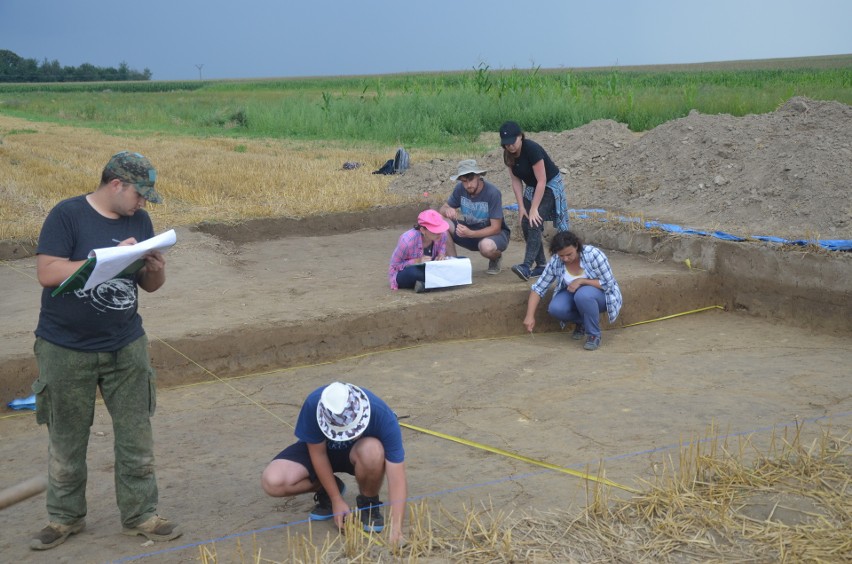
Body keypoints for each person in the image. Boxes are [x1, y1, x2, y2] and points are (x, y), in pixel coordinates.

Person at [29, 151, 181, 550]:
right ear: (116, 185)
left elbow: (150, 287)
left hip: (126, 346)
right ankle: (64, 519)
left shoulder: (139, 221)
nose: (143, 203)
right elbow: (47, 272)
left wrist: (154, 265)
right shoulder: (67, 215)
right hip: (65, 349)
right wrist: (102, 259)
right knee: (66, 439)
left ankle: (141, 514)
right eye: (139, 194)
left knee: (136, 436)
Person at [261, 382, 408, 545]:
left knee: (373, 451)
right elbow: (318, 454)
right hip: (323, 451)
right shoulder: (314, 404)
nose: (350, 436)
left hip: (360, 454)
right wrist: (336, 498)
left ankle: (369, 503)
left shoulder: (382, 415)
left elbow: (397, 476)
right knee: (272, 482)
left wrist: (396, 530)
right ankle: (328, 488)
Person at [522, 231, 622, 351]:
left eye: (569, 254)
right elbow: (538, 288)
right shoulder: (555, 261)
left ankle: (593, 335)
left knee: (582, 295)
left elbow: (608, 284)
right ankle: (583, 322)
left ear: (576, 246)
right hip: (573, 295)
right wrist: (529, 316)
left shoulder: (593, 255)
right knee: (556, 308)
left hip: (600, 295)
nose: (565, 259)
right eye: (561, 256)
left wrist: (582, 281)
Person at [500, 121, 570, 281]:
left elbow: (542, 180)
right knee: (525, 221)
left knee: (534, 220)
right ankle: (541, 266)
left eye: (512, 141)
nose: (510, 146)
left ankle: (526, 266)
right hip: (532, 187)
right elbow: (516, 181)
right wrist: (522, 207)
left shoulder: (531, 149)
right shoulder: (508, 154)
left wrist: (534, 208)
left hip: (549, 185)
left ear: (520, 137)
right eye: (506, 144)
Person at [439, 159, 510, 275]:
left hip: (494, 235)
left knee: (486, 247)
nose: (468, 185)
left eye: (471, 180)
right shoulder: (460, 189)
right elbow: (442, 210)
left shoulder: (492, 193)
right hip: (469, 231)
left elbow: (496, 228)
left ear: (478, 176)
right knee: (441, 222)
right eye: (464, 181)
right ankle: (454, 265)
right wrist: (448, 209)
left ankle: (495, 257)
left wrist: (470, 233)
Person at [388, 209, 455, 293]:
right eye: (435, 231)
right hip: (407, 271)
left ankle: (427, 284)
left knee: (461, 259)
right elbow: (395, 265)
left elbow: (442, 246)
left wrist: (441, 254)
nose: (439, 234)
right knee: (415, 273)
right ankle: (437, 282)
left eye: (440, 230)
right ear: (423, 230)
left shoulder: (442, 234)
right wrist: (417, 261)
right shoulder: (407, 241)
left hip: (430, 268)